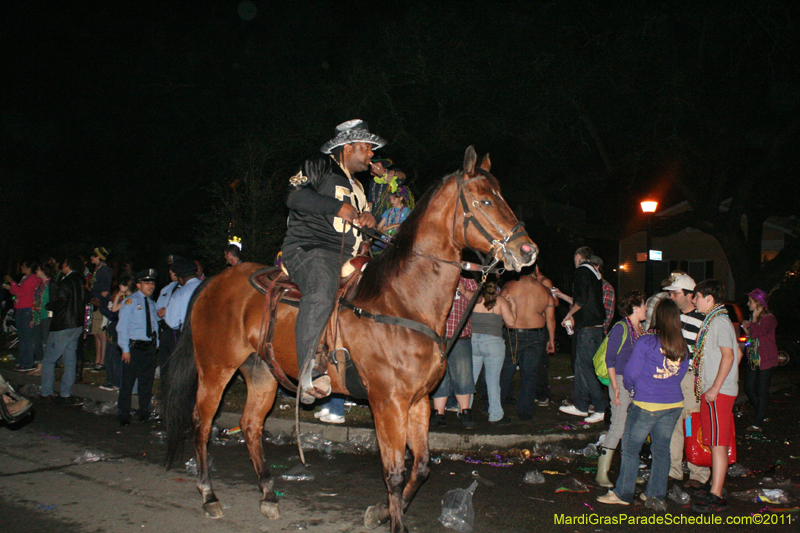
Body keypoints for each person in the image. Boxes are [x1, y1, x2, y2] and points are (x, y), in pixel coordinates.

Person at [281, 119, 384, 402]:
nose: (371, 153)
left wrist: (369, 221)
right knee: (321, 290)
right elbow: (293, 195)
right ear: (347, 147)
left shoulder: (360, 188)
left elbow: (363, 225)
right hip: (310, 247)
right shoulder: (319, 164)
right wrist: (338, 207)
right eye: (366, 147)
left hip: (349, 256)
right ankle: (307, 372)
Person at [597, 299, 689, 508]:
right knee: (661, 449)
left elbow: (630, 373)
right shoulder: (681, 344)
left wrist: (632, 389)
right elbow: (681, 371)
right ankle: (655, 494)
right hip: (673, 404)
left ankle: (623, 493)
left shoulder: (647, 341)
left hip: (647, 403)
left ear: (657, 317)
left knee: (630, 449)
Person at [689, 279, 740, 513]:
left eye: (696, 296)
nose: (693, 300)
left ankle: (716, 494)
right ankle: (714, 484)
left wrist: (717, 387)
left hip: (716, 393)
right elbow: (738, 353)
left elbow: (729, 356)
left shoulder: (718, 321)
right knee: (712, 441)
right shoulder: (714, 321)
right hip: (714, 390)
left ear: (709, 298)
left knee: (718, 444)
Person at [663, 273, 710, 491]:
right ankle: (673, 470)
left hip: (692, 378)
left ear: (690, 295)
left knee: (693, 423)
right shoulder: (675, 317)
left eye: (675, 292)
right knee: (673, 424)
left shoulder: (705, 319)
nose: (671, 296)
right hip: (672, 377)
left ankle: (699, 472)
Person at [595, 290, 646, 488]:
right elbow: (610, 358)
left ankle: (629, 473)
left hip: (636, 384)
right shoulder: (621, 327)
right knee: (618, 427)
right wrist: (615, 387)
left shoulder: (639, 328)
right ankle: (602, 473)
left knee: (632, 430)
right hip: (621, 383)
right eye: (643, 305)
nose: (646, 308)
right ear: (635, 307)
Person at [553, 246, 608, 424]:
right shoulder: (594, 273)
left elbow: (582, 301)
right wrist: (561, 295)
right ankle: (581, 405)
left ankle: (600, 408)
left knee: (585, 368)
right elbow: (584, 301)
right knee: (581, 366)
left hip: (588, 329)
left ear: (578, 257)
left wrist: (568, 315)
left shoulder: (581, 271)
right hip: (593, 327)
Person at [499, 269, 555, 420]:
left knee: (506, 370)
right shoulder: (544, 290)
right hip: (537, 334)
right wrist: (551, 339)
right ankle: (525, 411)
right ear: (536, 270)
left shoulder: (510, 286)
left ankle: (496, 406)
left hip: (514, 333)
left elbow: (498, 308)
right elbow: (550, 318)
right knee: (530, 373)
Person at [430, 276, 479, 429]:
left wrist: (463, 290)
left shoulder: (468, 280)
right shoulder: (436, 277)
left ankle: (465, 412)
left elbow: (478, 299)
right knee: (439, 376)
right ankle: (439, 414)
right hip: (437, 337)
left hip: (460, 336)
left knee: (463, 375)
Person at [40, 256, 88, 405]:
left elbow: (61, 302)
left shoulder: (66, 281)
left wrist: (50, 306)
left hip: (63, 325)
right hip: (76, 324)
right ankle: (66, 393)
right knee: (70, 359)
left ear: (68, 265)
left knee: (49, 360)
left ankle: (46, 392)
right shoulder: (81, 281)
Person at [116, 269, 160, 426]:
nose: (151, 286)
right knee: (128, 382)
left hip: (148, 348)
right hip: (134, 348)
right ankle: (123, 413)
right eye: (147, 283)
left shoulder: (152, 303)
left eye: (153, 283)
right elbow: (122, 327)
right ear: (138, 285)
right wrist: (125, 349)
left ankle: (144, 411)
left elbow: (154, 324)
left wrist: (157, 343)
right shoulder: (130, 301)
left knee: (146, 382)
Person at [470, 280, 516, 424]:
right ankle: (495, 414)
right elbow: (511, 323)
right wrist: (513, 307)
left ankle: (463, 410)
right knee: (493, 380)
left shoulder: (473, 299)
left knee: (470, 379)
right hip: (493, 343)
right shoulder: (500, 301)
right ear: (495, 288)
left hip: (473, 341)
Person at [741, 288, 778, 433]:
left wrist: (754, 321)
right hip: (755, 359)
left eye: (750, 301)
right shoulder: (754, 319)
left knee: (762, 390)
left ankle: (757, 423)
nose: (747, 304)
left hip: (766, 360)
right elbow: (751, 338)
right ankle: (761, 413)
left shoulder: (769, 319)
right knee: (749, 388)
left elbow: (757, 334)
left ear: (758, 304)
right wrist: (747, 330)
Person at [3, 260, 40, 372]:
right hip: (20, 308)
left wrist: (12, 282)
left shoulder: (33, 278)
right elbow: (17, 292)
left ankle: (28, 362)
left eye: (23, 266)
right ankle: (22, 361)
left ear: (29, 268)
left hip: (27, 309)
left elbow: (22, 292)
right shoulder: (25, 278)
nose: (21, 268)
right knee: (22, 337)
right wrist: (10, 288)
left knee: (27, 337)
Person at [88, 247, 113, 372]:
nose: (91, 258)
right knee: (96, 333)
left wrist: (101, 303)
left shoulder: (104, 270)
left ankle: (102, 362)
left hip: (101, 305)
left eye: (93, 255)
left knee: (101, 334)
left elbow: (105, 291)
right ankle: (97, 360)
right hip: (96, 304)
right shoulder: (98, 270)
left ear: (99, 257)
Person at [30, 261, 56, 377]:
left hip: (47, 317)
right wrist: (33, 317)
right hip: (37, 317)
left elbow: (53, 301)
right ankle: (39, 366)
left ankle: (47, 367)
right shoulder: (39, 285)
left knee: (46, 341)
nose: (36, 271)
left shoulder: (51, 284)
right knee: (36, 342)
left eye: (38, 269)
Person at [164, 257, 202, 332]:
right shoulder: (209, 286)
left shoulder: (179, 293)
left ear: (180, 279)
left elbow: (172, 323)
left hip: (191, 335)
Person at [373, 186, 412, 255]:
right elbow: (379, 227)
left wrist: (392, 226)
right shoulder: (388, 212)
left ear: (401, 198)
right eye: (390, 199)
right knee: (373, 247)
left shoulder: (406, 211)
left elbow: (409, 224)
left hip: (400, 240)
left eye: (394, 199)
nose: (392, 201)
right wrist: (381, 230)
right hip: (386, 239)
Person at [590, 255, 616, 334]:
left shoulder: (606, 288)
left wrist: (594, 331)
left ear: (597, 267)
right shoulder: (586, 286)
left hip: (595, 336)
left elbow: (607, 315)